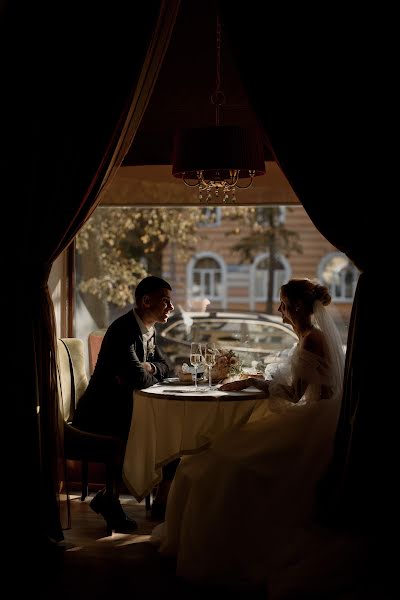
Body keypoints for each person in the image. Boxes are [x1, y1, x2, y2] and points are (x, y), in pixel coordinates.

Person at [150, 278, 347, 594]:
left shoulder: (312, 339)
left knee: (220, 464)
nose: (280, 310)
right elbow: (295, 385)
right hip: (309, 417)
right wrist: (256, 379)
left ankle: (224, 548)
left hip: (311, 425)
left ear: (296, 306)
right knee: (206, 456)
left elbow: (295, 395)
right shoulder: (308, 337)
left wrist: (250, 384)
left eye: (283, 304)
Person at [73, 275, 176, 532]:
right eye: (166, 301)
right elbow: (138, 379)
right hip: (100, 412)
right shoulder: (123, 331)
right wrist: (147, 372)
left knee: (170, 431)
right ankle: (110, 499)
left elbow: (168, 368)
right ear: (145, 300)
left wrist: (150, 365)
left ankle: (160, 497)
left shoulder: (148, 329)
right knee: (157, 433)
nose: (171, 308)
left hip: (123, 406)